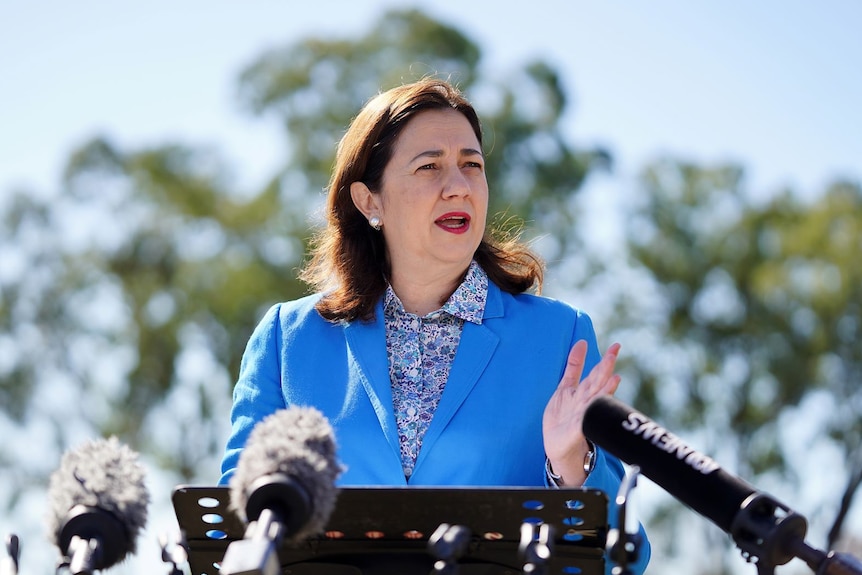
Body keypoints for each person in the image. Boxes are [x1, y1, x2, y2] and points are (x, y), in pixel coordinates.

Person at [219, 77, 650, 573]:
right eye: (429, 167)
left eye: (472, 165)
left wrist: (570, 466)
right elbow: (238, 523)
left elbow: (625, 554)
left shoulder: (559, 339)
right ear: (369, 201)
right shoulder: (286, 339)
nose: (459, 187)